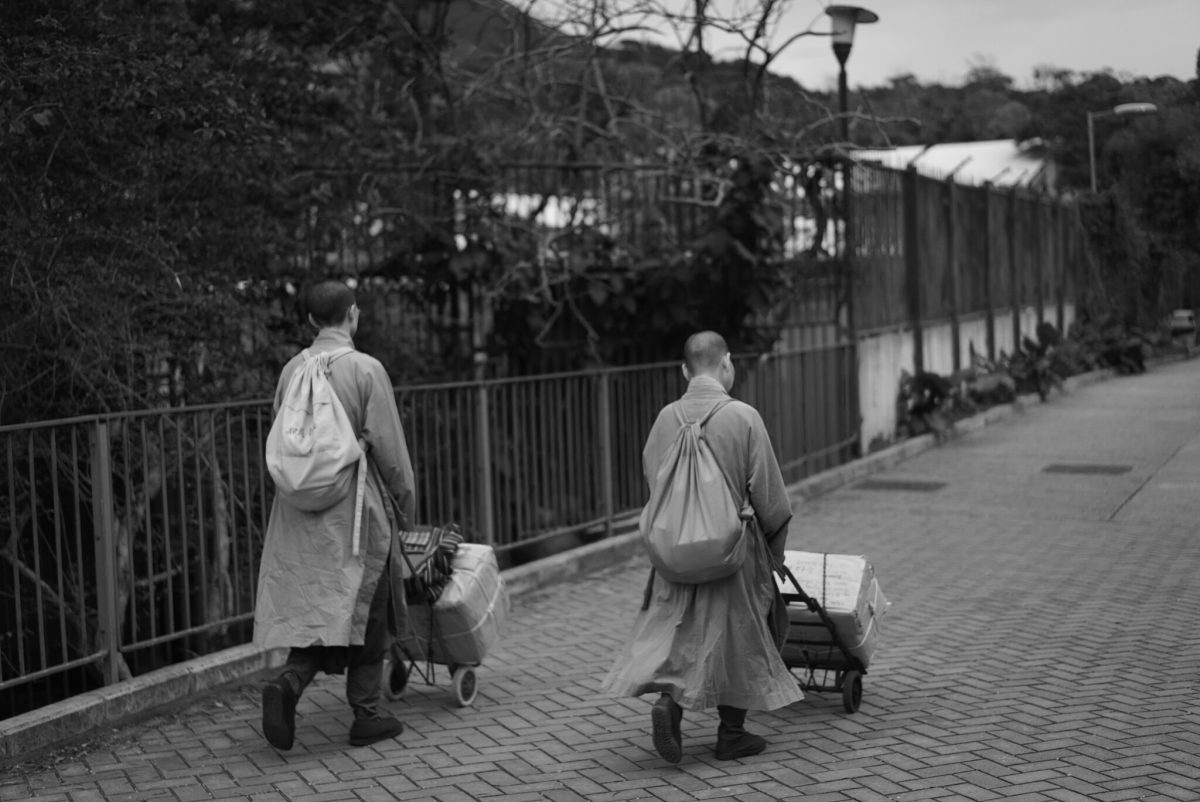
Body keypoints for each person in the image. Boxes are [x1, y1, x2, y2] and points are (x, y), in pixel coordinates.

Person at [601, 330, 802, 763]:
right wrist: (773, 553)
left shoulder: (665, 419)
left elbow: (656, 481)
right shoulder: (744, 417)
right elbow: (772, 500)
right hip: (733, 553)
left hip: (675, 555)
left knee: (681, 634)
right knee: (740, 637)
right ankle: (732, 734)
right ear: (727, 363)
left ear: (684, 370)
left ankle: (670, 705)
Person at [254, 279, 416, 750]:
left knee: (321, 607)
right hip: (356, 513)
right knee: (370, 608)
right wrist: (406, 509)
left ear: (309, 321)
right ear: (352, 314)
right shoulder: (366, 370)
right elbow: (391, 454)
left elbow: (285, 440)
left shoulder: (291, 371)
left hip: (299, 516)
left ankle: (288, 684)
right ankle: (367, 714)